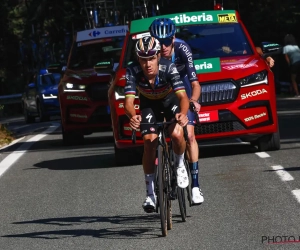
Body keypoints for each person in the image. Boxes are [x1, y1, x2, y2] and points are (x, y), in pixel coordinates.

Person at [124, 35, 189, 212]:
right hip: (148, 105)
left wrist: (182, 114)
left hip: (170, 101)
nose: (148, 64)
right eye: (144, 60)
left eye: (152, 58)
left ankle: (180, 163)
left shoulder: (169, 68)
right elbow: (128, 101)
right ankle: (150, 194)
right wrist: (133, 115)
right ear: (138, 59)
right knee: (149, 141)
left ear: (159, 56)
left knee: (176, 133)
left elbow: (183, 97)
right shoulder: (132, 71)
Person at [149, 18, 204, 204]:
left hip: (182, 91)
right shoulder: (151, 53)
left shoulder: (182, 49)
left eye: (166, 41)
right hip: (162, 94)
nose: (163, 46)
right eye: (159, 41)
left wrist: (194, 100)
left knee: (189, 135)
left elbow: (195, 83)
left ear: (173, 38)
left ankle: (195, 186)